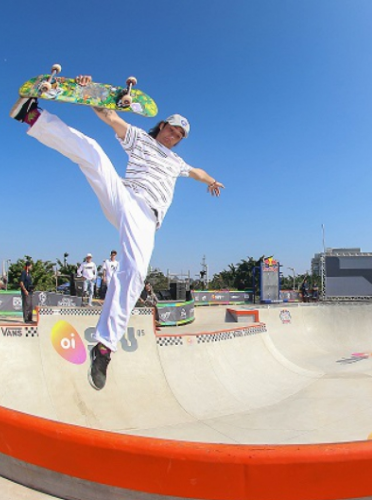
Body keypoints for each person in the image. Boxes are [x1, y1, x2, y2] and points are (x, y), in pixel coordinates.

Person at [11, 82, 224, 391]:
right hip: (125, 196)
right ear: (162, 125)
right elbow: (108, 117)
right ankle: (33, 117)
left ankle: (103, 348)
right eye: (172, 129)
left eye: (179, 136)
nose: (174, 136)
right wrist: (99, 97)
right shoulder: (139, 138)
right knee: (94, 154)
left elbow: (196, 172)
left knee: (134, 272)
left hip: (145, 218)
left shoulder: (177, 162)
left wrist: (212, 180)